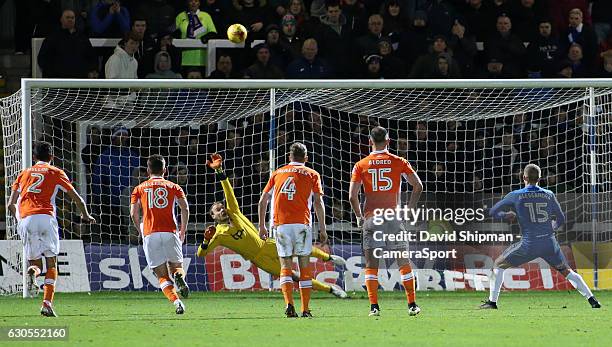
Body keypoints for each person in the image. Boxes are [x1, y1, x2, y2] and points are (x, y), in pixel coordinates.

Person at [198, 154, 347, 299]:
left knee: (300, 249)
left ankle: (328, 257)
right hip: (260, 259)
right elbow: (201, 254)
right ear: (213, 216)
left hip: (267, 244)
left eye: (222, 207)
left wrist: (220, 171)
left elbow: (228, 192)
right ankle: (331, 289)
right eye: (218, 210)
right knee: (293, 276)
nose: (222, 209)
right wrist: (205, 241)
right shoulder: (217, 234)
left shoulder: (234, 212)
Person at [481, 164, 601, 310]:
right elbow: (561, 218)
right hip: (549, 243)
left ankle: (492, 303)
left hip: (529, 244)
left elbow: (493, 211)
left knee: (498, 264)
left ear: (523, 177)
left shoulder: (515, 195)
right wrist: (553, 227)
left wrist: (506, 215)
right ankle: (593, 300)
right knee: (567, 271)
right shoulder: (549, 194)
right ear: (539, 178)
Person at [7, 141, 96, 317]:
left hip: (25, 219)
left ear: (33, 157)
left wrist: (21, 219)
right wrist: (85, 215)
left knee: (35, 264)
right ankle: (47, 304)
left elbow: (10, 204)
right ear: (52, 157)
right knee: (52, 262)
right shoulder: (55, 172)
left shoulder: (23, 174)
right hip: (46, 218)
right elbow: (76, 197)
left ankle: (33, 273)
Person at [348, 126, 424, 317]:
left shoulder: (360, 165)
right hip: (393, 217)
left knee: (371, 265)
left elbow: (352, 196)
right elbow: (418, 186)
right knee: (403, 262)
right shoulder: (399, 162)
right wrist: (409, 210)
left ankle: (374, 307)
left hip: (372, 219)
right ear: (388, 141)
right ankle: (412, 305)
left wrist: (359, 216)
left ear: (369, 142)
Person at [258, 143, 328, 318]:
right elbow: (319, 202)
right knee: (304, 267)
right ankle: (305, 309)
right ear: (306, 158)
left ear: (289, 157)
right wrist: (323, 228)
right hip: (302, 225)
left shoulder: (276, 173)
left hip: (281, 225)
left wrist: (261, 226)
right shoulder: (313, 174)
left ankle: (289, 304)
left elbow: (263, 200)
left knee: (285, 267)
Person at [130, 154, 190, 314]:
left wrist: (140, 230)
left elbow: (133, 213)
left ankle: (177, 302)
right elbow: (185, 208)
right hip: (171, 232)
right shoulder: (174, 186)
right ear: (165, 170)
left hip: (150, 233)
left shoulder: (139, 188)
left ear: (148, 170)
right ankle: (179, 276)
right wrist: (182, 230)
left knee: (162, 276)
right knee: (177, 267)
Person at [38, 9, 96, 78]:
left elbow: (91, 56)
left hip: (79, 79)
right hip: (58, 80)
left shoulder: (82, 37)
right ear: (61, 19)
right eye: (67, 17)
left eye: (72, 18)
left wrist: (92, 70)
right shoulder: (52, 37)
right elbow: (42, 59)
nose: (70, 20)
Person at [176, 0, 217, 71]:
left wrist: (204, 38)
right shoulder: (180, 16)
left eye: (196, 1)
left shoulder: (206, 16)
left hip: (202, 59)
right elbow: (175, 34)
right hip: (184, 59)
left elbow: (213, 33)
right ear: (187, 2)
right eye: (191, 1)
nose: (193, 3)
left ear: (199, 3)